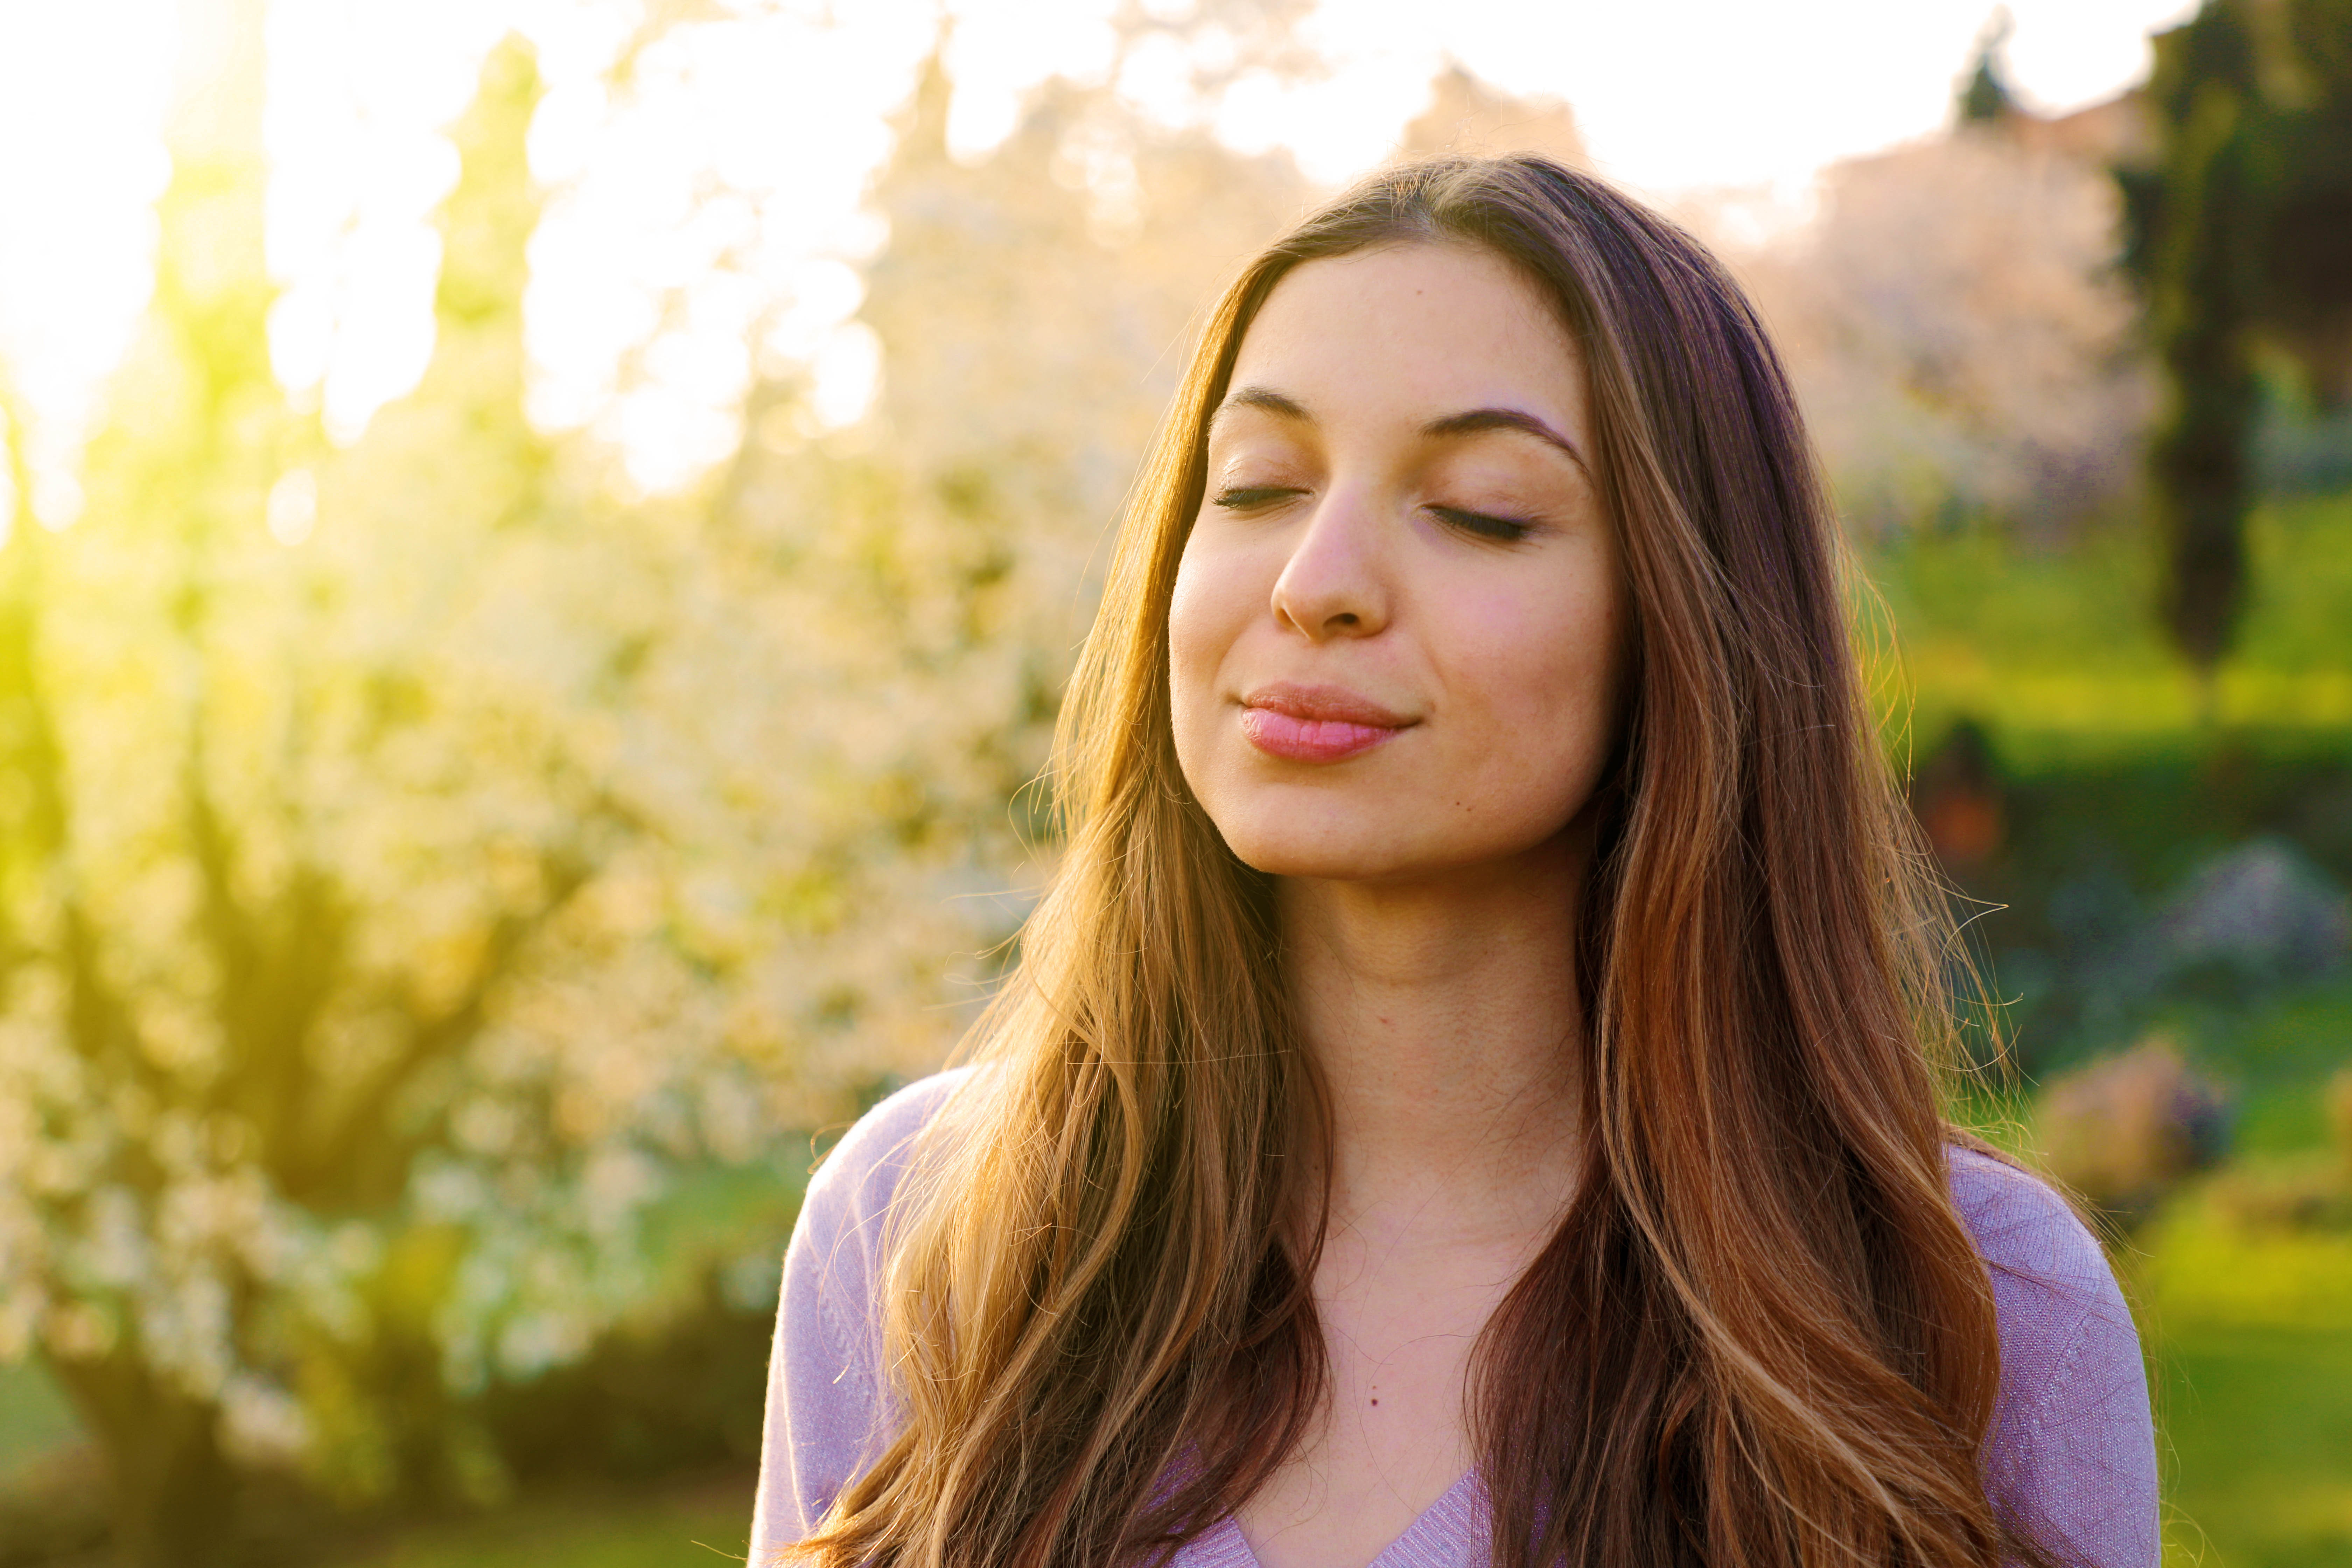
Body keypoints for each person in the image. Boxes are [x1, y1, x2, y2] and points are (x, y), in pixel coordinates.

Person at [749, 156, 2157, 1568]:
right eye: (1257, 485)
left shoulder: (1977, 1309)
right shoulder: (922, 1232)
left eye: (1481, 509)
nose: (1316, 582)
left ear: (1686, 622)